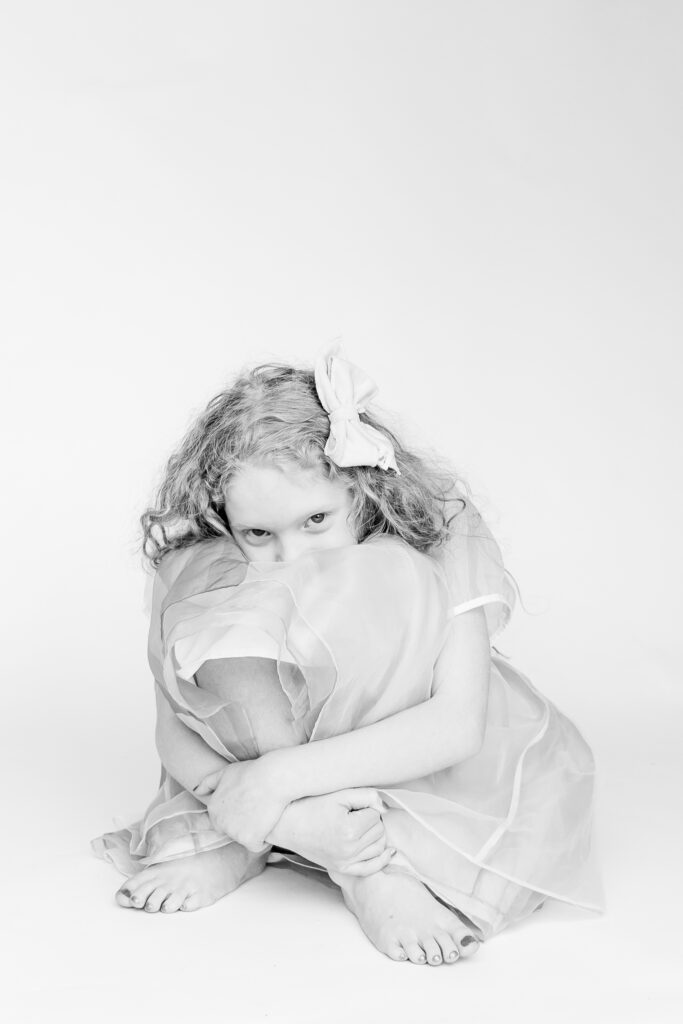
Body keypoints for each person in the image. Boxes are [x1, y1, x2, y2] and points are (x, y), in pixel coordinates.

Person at [92, 345, 604, 966]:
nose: (294, 556)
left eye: (316, 519)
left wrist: (273, 781)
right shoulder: (209, 567)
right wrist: (285, 819)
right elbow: (174, 728)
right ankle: (268, 835)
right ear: (225, 516)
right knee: (229, 612)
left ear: (360, 490)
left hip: (405, 761)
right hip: (276, 782)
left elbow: (457, 725)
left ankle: (371, 864)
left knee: (384, 589)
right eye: (258, 533)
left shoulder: (437, 536)